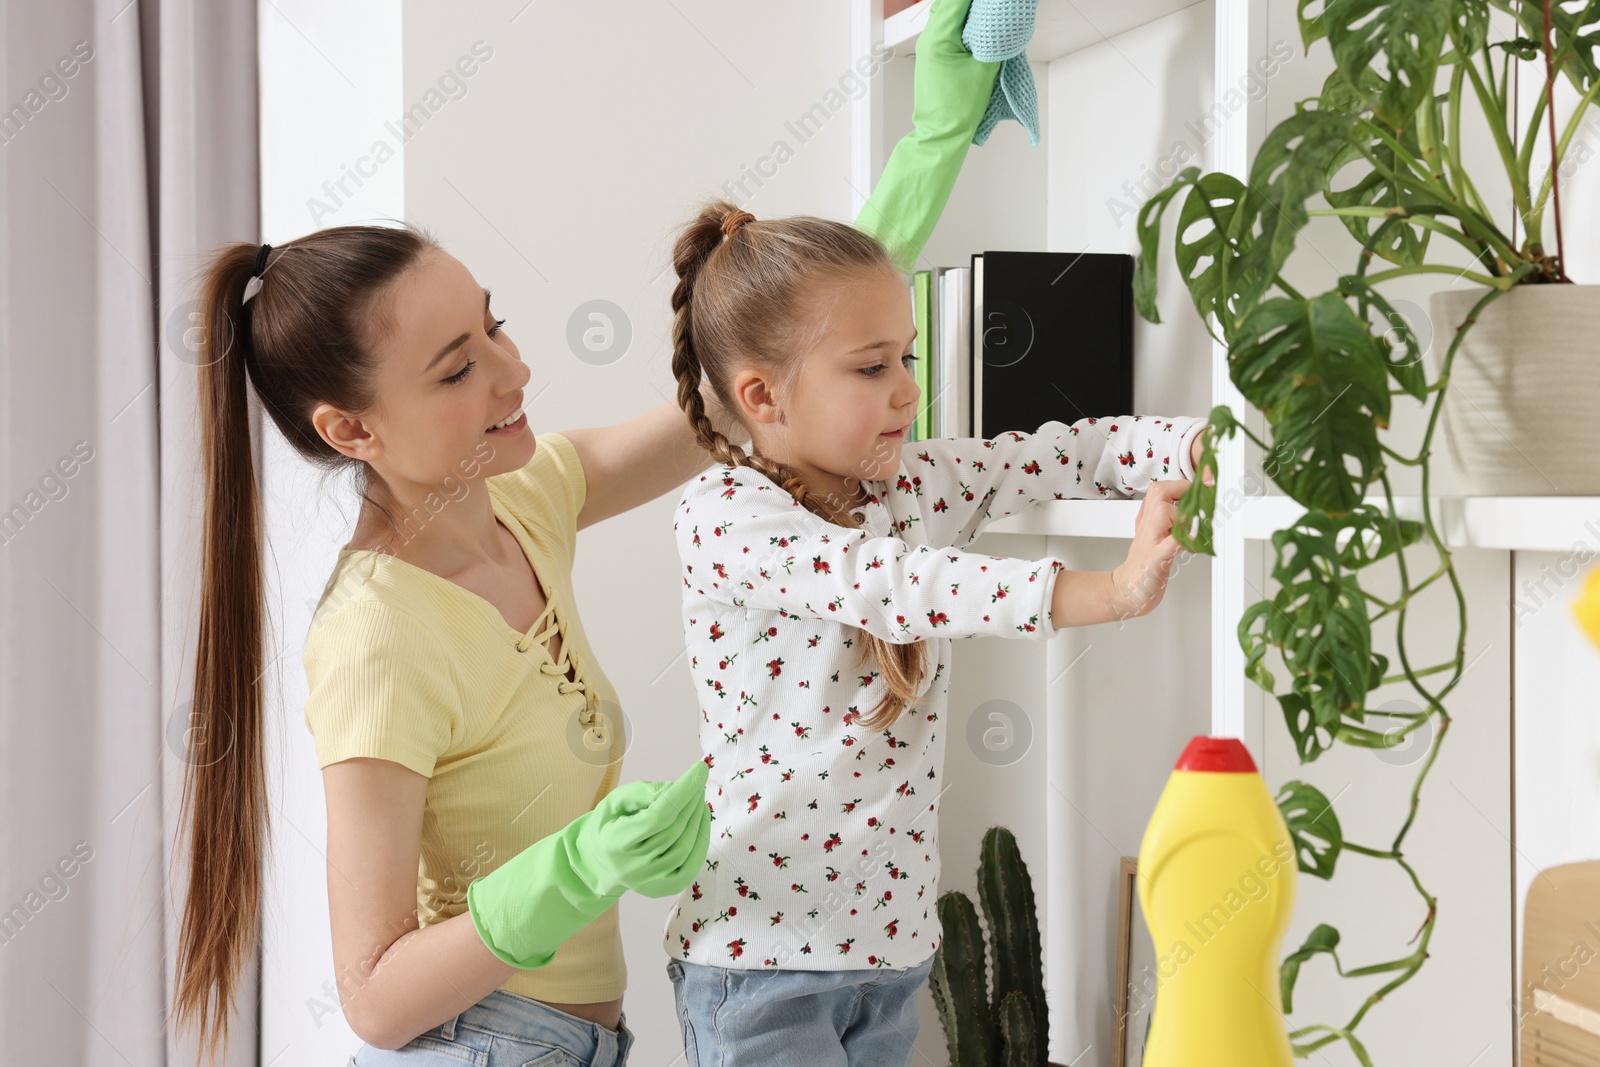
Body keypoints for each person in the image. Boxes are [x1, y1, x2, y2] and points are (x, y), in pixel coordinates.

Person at [169, 0, 1016, 1060]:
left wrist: (929, 143)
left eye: (494, 322)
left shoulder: (525, 499)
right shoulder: (375, 638)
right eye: (455, 367)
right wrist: (569, 869)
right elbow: (377, 997)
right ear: (352, 428)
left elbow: (760, 384)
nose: (513, 371)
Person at [659, 195, 1211, 1067]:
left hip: (890, 948)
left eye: (907, 357)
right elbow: (895, 586)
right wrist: (1108, 591)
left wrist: (1202, 448)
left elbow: (1071, 450)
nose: (909, 388)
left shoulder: (907, 484)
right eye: (873, 366)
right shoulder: (727, 516)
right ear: (762, 394)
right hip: (762, 957)